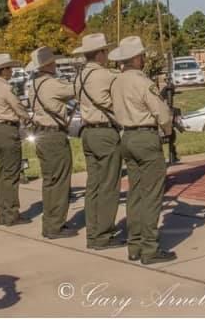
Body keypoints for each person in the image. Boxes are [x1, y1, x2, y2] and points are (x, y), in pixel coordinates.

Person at [109, 36, 177, 265]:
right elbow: (161, 112)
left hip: (126, 136)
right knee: (151, 194)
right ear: (136, 58)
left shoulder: (116, 81)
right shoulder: (142, 81)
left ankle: (134, 243)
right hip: (145, 136)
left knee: (135, 193)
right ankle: (150, 247)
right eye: (142, 55)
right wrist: (168, 130)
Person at [72, 33, 124, 250]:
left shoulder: (79, 76)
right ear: (100, 54)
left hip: (88, 132)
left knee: (93, 185)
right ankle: (103, 233)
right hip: (105, 131)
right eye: (105, 51)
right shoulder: (106, 76)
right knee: (109, 185)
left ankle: (93, 232)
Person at [28, 47, 77, 239]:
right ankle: (55, 225)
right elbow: (76, 90)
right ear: (48, 65)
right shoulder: (52, 84)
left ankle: (50, 222)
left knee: (50, 181)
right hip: (54, 135)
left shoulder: (35, 84)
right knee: (60, 180)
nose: (55, 65)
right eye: (53, 62)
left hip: (42, 134)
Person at [0, 53, 31, 226]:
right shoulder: (5, 88)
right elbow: (17, 106)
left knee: (2, 174)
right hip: (7, 130)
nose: (11, 71)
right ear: (3, 70)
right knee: (11, 174)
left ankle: (3, 212)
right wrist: (27, 117)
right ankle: (11, 214)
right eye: (9, 68)